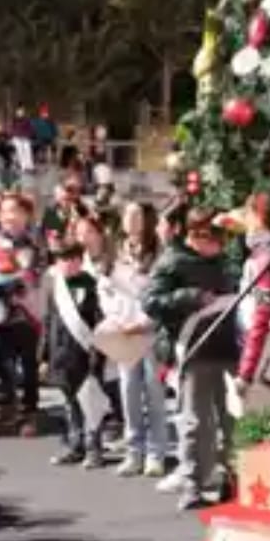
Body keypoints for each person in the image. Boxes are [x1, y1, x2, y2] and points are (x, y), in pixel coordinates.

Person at [142, 208, 238, 511]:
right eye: (211, 238)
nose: (217, 245)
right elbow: (149, 301)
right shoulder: (172, 260)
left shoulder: (225, 261)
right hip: (194, 349)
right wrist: (190, 297)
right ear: (195, 235)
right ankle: (193, 483)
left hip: (227, 347)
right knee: (194, 421)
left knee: (231, 419)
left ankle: (230, 478)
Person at [103, 202, 168, 478]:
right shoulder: (115, 252)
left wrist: (145, 321)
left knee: (154, 394)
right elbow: (105, 290)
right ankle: (134, 452)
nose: (131, 220)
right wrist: (115, 318)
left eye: (136, 215)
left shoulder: (159, 252)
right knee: (129, 392)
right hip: (123, 330)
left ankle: (156, 453)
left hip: (149, 331)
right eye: (127, 215)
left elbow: (163, 290)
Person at [44, 243, 107, 467]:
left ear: (81, 260)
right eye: (63, 259)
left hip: (86, 352)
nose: (68, 264)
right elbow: (49, 321)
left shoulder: (92, 285)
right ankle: (75, 445)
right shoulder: (55, 286)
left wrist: (98, 352)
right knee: (70, 403)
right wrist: (44, 355)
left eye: (73, 259)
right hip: (61, 353)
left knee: (91, 402)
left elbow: (100, 320)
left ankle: (94, 449)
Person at [235, 190, 270, 397]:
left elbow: (261, 317)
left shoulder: (267, 258)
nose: (245, 222)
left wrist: (245, 374)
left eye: (247, 215)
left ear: (258, 216)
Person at [0, 192, 43, 432]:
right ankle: (7, 406)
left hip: (25, 313)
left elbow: (32, 276)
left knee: (28, 364)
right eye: (5, 211)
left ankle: (29, 412)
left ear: (25, 215)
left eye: (15, 211)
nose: (10, 216)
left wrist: (11, 284)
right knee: (1, 361)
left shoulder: (32, 244)